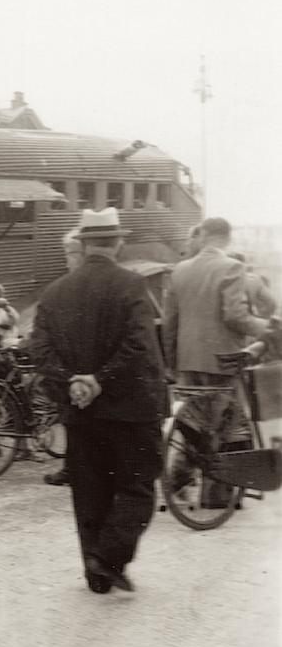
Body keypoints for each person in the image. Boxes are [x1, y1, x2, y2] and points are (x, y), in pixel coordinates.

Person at [30, 207, 165, 594]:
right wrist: (99, 379)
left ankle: (96, 576)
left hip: (80, 409)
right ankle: (108, 558)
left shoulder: (55, 291)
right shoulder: (131, 285)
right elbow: (139, 344)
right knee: (138, 486)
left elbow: (39, 350)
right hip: (131, 410)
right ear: (118, 243)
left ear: (84, 244)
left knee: (89, 490)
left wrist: (73, 380)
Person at [163, 218, 272, 501]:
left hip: (188, 362)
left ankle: (178, 480)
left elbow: (170, 323)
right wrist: (267, 329)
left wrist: (172, 363)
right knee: (228, 425)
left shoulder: (180, 270)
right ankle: (216, 495)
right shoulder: (232, 267)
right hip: (223, 360)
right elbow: (236, 316)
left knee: (193, 423)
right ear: (226, 238)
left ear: (203, 236)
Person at [43, 227, 83, 487]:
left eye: (69, 253)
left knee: (78, 422)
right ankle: (72, 467)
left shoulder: (81, 285)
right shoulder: (66, 285)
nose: (66, 259)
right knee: (72, 421)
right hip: (69, 366)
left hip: (81, 367)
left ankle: (76, 469)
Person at [227, 253, 277, 319]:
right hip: (246, 322)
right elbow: (271, 302)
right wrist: (262, 319)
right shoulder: (254, 280)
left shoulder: (219, 280)